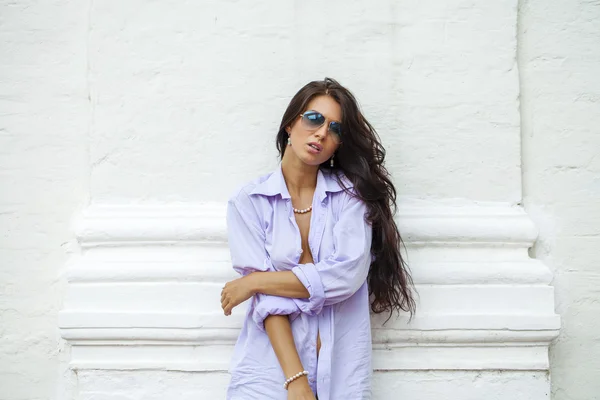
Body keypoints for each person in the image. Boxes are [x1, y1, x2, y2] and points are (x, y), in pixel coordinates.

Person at [220, 77, 415, 400]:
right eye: (313, 119)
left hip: (342, 372)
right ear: (289, 124)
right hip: (270, 374)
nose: (322, 132)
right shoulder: (249, 201)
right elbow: (270, 305)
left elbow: (347, 275)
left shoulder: (350, 197)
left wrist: (255, 283)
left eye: (335, 128)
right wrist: (295, 380)